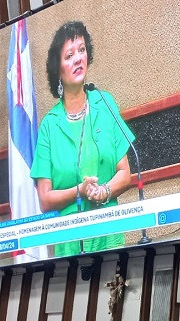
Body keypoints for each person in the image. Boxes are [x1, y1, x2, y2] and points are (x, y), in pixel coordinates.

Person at [30, 20, 136, 258]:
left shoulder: (105, 102)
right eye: (69, 55)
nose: (78, 58)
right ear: (58, 69)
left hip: (110, 230)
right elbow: (45, 199)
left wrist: (105, 190)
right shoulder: (49, 125)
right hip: (70, 240)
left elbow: (125, 173)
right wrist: (80, 190)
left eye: (81, 50)